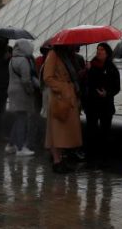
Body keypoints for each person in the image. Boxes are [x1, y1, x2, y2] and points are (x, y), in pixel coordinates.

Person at [42, 45, 82, 173]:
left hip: (68, 96)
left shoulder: (68, 56)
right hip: (59, 98)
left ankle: (60, 159)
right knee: (56, 130)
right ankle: (57, 160)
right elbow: (47, 77)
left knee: (63, 130)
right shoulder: (54, 54)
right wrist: (63, 88)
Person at [84, 42, 121, 163]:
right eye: (98, 49)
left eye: (102, 50)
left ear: (107, 53)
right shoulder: (90, 66)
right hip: (92, 104)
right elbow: (87, 84)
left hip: (106, 105)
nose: (99, 52)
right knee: (91, 132)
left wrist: (107, 93)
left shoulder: (112, 68)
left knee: (105, 133)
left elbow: (116, 87)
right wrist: (87, 71)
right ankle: (90, 159)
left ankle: (104, 159)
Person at [6, 40, 37, 157]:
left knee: (19, 118)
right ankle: (20, 148)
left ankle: (10, 145)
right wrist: (31, 91)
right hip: (22, 93)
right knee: (22, 119)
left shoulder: (12, 59)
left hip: (13, 90)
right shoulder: (23, 61)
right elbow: (26, 80)